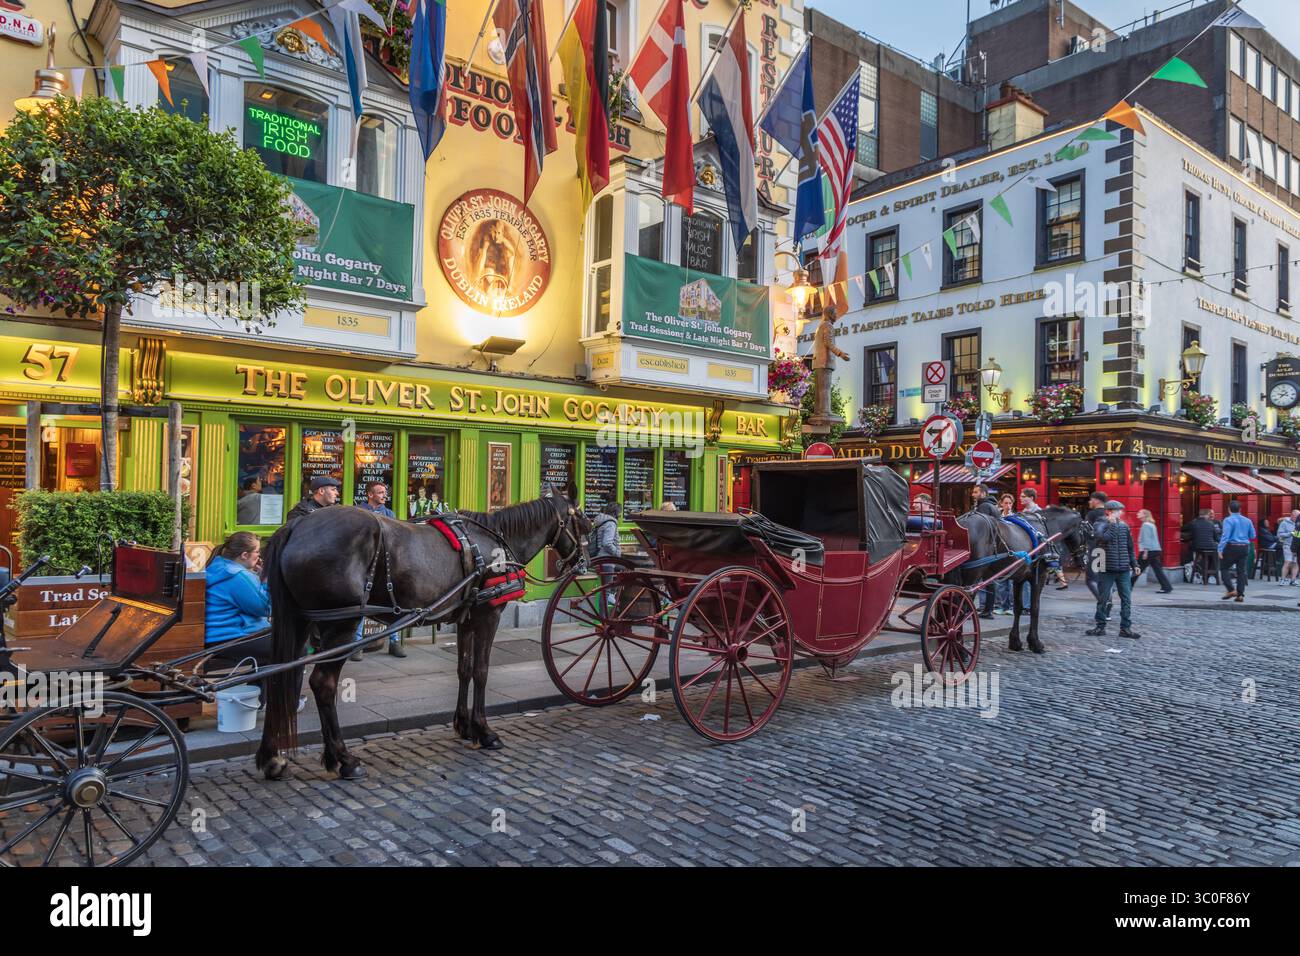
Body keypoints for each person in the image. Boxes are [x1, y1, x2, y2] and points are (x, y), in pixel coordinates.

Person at [204, 533, 306, 711]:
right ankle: (289, 701)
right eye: (257, 552)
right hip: (231, 637)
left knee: (272, 643)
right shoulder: (237, 575)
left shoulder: (218, 567)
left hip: (219, 634)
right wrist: (266, 580)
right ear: (244, 555)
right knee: (297, 647)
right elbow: (264, 608)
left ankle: (260, 697)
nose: (259, 557)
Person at [357, 481, 403, 656]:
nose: (385, 495)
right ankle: (357, 645)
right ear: (370, 495)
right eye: (380, 492)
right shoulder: (360, 512)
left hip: (386, 564)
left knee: (393, 603)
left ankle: (395, 642)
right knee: (362, 602)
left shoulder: (389, 513)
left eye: (385, 492)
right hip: (365, 563)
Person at [1085, 501, 1141, 639]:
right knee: (1103, 599)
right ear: (1109, 511)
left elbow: (1130, 547)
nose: (1121, 513)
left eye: (1121, 511)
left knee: (1126, 600)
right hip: (1106, 567)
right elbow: (1103, 538)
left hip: (1123, 568)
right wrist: (1112, 525)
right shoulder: (1100, 524)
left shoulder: (1124, 526)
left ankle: (1125, 629)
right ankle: (1100, 627)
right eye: (1118, 511)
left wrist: (1135, 564)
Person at [1218, 500, 1256, 602]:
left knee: (1224, 568)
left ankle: (1231, 590)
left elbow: (1225, 535)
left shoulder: (1228, 520)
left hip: (1232, 547)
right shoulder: (1247, 520)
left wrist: (1220, 549)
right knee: (1241, 571)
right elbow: (1253, 536)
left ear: (1229, 509)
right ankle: (1240, 595)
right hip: (1244, 547)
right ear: (1240, 509)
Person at [1133, 508, 1174, 593]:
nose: (1137, 514)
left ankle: (1127, 585)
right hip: (1155, 550)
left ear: (1144, 514)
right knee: (1157, 569)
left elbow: (1147, 539)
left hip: (1148, 551)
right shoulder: (1151, 524)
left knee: (1138, 568)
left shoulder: (1146, 525)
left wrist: (1145, 552)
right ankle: (1167, 587)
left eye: (1139, 512)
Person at [1084, 492, 1110, 616]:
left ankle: (1104, 604)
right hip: (1108, 551)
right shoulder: (1109, 513)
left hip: (1096, 551)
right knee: (1103, 579)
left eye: (1091, 500)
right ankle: (1107, 601)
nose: (1089, 502)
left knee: (1091, 579)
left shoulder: (1092, 514)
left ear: (1097, 501)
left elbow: (1086, 532)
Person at [1279, 510, 1299, 585]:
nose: (1297, 518)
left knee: (1296, 563)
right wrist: (1290, 533)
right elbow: (1280, 535)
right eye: (1296, 517)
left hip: (1297, 546)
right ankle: (1282, 579)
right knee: (1288, 561)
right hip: (1288, 545)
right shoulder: (1284, 523)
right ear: (1291, 515)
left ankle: (1293, 580)